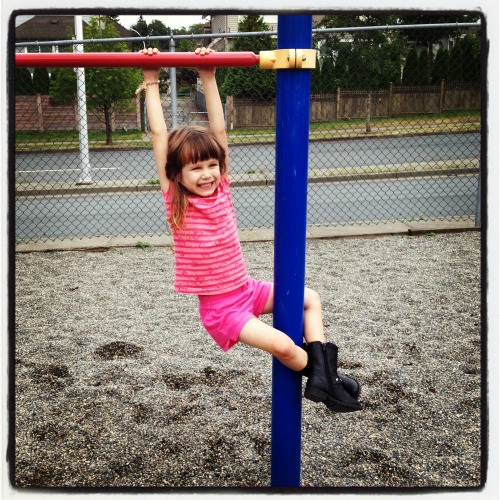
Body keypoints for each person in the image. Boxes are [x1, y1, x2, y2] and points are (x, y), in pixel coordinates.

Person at [138, 46, 362, 412]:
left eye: (212, 165)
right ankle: (329, 380)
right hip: (222, 310)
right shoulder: (176, 199)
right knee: (286, 346)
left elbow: (219, 129)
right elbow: (159, 136)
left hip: (248, 288)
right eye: (196, 169)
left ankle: (327, 379)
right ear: (176, 175)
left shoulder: (222, 188)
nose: (207, 174)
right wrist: (150, 82)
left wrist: (209, 76)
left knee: (310, 298)